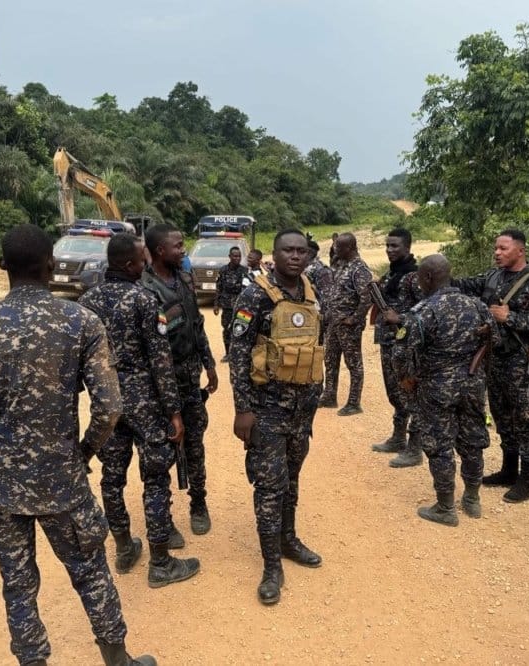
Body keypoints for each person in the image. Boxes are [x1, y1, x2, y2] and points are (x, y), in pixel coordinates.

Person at [0, 225, 156, 666]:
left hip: (0, 487)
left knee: (18, 586)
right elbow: (110, 407)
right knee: (90, 571)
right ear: (52, 264)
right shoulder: (81, 321)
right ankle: (118, 659)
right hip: (63, 479)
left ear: (2, 265)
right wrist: (84, 452)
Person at [80, 233, 201, 588]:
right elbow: (161, 360)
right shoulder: (144, 300)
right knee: (156, 479)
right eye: (140, 258)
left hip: (107, 405)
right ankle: (160, 562)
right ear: (130, 264)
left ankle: (123, 547)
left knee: (112, 478)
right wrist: (174, 412)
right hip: (146, 405)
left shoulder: (86, 301)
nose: (144, 262)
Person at [229, 228, 323, 605]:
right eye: (288, 251)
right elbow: (239, 353)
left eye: (301, 251)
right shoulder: (254, 295)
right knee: (270, 488)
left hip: (301, 412)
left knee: (291, 481)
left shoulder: (312, 291)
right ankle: (271, 566)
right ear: (275, 254)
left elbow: (315, 345)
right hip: (266, 410)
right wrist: (242, 410)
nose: (295, 257)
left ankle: (288, 540)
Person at [454, 229, 529, 502]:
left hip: (523, 363)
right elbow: (463, 284)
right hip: (495, 359)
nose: (497, 253)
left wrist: (510, 317)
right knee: (502, 416)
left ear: (520, 251)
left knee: (527, 419)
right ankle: (509, 470)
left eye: (503, 248)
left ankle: (528, 481)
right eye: (496, 248)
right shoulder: (493, 276)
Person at [393, 255, 496, 526]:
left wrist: (406, 379)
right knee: (472, 439)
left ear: (427, 277)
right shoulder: (477, 305)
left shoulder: (423, 311)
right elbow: (492, 341)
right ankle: (472, 498)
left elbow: (401, 353)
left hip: (436, 387)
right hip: (473, 384)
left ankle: (446, 507)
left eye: (419, 278)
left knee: (439, 445)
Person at [141, 223, 218, 537]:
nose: (183, 250)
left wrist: (209, 364)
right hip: (160, 385)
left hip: (190, 379)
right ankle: (164, 518)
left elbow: (197, 325)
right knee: (161, 452)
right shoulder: (144, 289)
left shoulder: (185, 279)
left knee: (195, 444)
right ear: (160, 250)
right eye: (178, 246)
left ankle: (198, 503)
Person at [371, 228, 423, 468]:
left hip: (408, 345)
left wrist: (400, 318)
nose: (390, 250)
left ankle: (415, 448)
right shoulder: (392, 274)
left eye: (395, 246)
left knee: (412, 395)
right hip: (389, 342)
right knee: (394, 393)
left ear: (407, 248)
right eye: (388, 246)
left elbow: (426, 310)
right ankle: (398, 437)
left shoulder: (414, 277)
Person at [319, 232, 373, 416]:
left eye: (339, 247)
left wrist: (354, 319)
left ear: (350, 247)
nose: (335, 250)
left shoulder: (359, 269)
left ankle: (354, 402)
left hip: (348, 325)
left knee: (353, 363)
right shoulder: (342, 265)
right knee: (330, 359)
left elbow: (367, 298)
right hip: (334, 322)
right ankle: (329, 395)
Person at [214, 246, 251, 362]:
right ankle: (228, 354)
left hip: (241, 306)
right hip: (227, 306)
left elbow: (247, 290)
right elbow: (219, 287)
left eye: (239, 256)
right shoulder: (223, 270)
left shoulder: (244, 271)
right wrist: (216, 304)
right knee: (227, 330)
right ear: (229, 257)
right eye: (235, 256)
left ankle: (239, 354)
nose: (237, 258)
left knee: (241, 328)